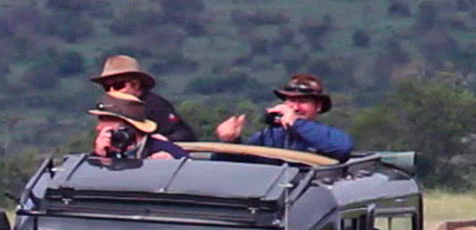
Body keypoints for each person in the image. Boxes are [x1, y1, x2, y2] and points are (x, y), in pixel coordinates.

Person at [215, 74, 354, 160]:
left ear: (317, 107)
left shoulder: (327, 134)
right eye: (291, 101)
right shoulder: (267, 137)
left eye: (303, 102)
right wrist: (230, 142)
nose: (295, 108)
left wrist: (297, 123)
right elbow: (235, 167)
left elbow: (342, 148)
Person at [89, 55, 197, 142]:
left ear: (135, 85)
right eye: (106, 87)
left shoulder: (156, 105)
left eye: (118, 85)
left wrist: (165, 140)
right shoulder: (108, 107)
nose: (112, 91)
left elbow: (186, 134)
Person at [89, 95, 186, 161]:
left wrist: (171, 167)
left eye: (107, 120)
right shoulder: (105, 152)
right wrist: (99, 157)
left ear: (128, 125)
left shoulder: (167, 150)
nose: (99, 127)